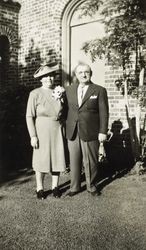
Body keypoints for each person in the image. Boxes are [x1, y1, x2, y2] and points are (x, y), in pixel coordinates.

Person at [65, 62, 109, 197]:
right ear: (76, 75)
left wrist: (103, 131)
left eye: (87, 72)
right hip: (72, 130)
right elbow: (65, 109)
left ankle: (91, 186)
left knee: (91, 160)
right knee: (74, 159)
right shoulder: (69, 90)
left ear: (90, 74)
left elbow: (104, 112)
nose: (83, 75)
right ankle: (74, 187)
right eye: (80, 72)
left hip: (90, 130)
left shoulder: (99, 90)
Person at [26, 63, 66, 200]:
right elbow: (29, 116)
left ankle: (55, 186)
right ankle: (40, 188)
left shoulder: (59, 91)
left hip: (56, 129)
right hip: (41, 129)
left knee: (57, 157)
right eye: (46, 76)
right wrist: (33, 136)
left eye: (51, 76)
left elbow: (63, 112)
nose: (49, 79)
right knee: (41, 159)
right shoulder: (35, 94)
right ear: (41, 79)